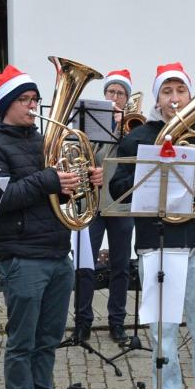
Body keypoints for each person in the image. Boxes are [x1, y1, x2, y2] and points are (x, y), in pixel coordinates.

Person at [0, 64, 102, 389]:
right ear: (6, 104)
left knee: (48, 338)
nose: (33, 106)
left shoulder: (45, 141)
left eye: (35, 99)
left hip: (57, 249)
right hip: (21, 254)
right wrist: (48, 181)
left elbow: (58, 194)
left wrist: (82, 184)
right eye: (25, 100)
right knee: (22, 341)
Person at [109, 62, 195, 389]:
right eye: (167, 92)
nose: (174, 99)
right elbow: (118, 189)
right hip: (156, 243)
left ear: (190, 95)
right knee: (162, 331)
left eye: (180, 91)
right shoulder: (138, 138)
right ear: (157, 97)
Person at [69, 69, 135, 345]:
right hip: (92, 203)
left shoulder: (132, 127)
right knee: (86, 265)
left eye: (121, 93)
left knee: (120, 265)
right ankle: (82, 322)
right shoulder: (88, 121)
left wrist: (123, 129)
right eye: (111, 92)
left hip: (121, 204)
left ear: (127, 98)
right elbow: (76, 151)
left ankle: (117, 322)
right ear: (104, 95)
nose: (115, 97)